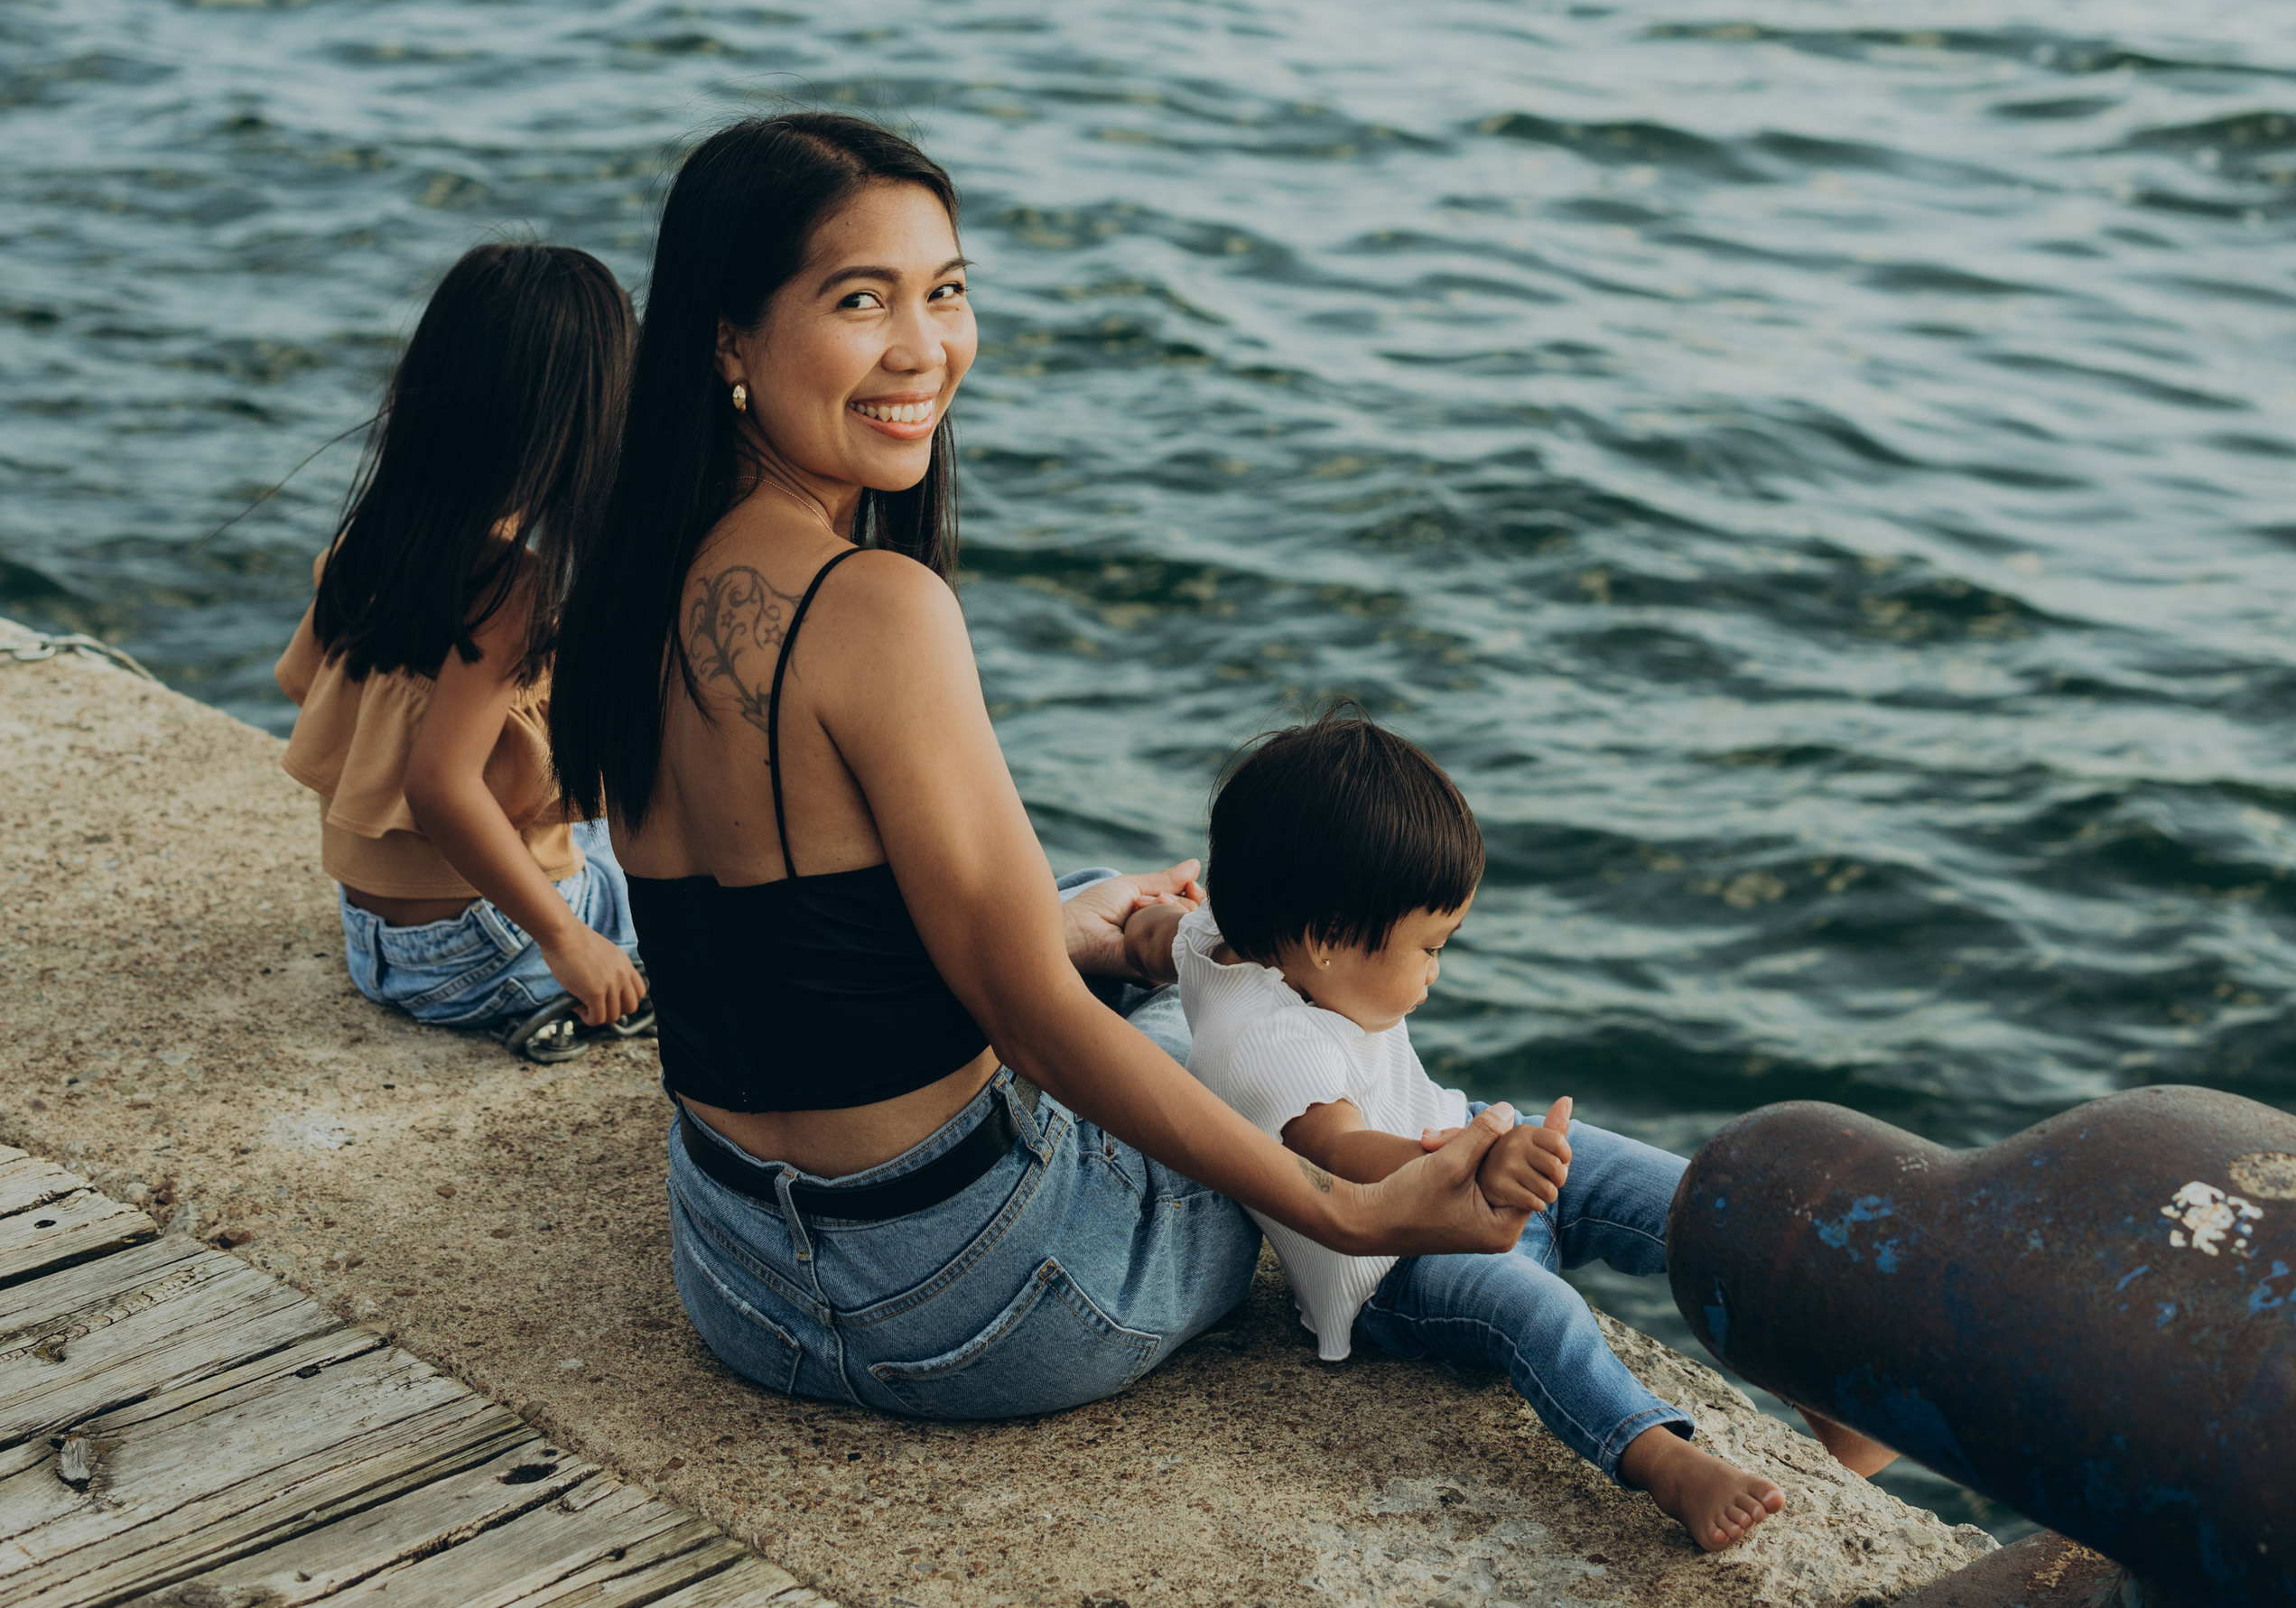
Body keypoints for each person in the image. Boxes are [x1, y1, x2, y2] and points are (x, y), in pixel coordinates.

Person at [547, 110, 1542, 1421]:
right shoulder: (874, 606)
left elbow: (779, 935)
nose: (925, 347)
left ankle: (1104, 929)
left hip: (742, 1276)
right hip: (975, 1307)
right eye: (861, 300)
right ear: (728, 336)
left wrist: (1064, 931)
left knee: (1093, 912)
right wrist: (1345, 1207)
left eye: (947, 292)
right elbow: (1031, 1025)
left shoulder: (627, 574)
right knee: (1234, 1008)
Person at [1156, 710, 1893, 1550]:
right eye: (1431, 947)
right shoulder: (1269, 1041)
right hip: (1398, 1267)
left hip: (1464, 1145)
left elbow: (1171, 931)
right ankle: (1664, 1460)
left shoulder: (1223, 935)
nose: (1436, 972)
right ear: (1325, 939)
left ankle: (1813, 1367)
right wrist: (1478, 1167)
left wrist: (1140, 924)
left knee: (1673, 1196)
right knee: (1540, 1315)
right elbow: (1342, 1155)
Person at [275, 241, 652, 1066]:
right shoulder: (511, 589)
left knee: (598, 827)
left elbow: (318, 700)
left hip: (378, 942)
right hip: (481, 957)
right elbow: (439, 786)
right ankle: (579, 985)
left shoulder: (375, 541)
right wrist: (565, 939)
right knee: (681, 863)